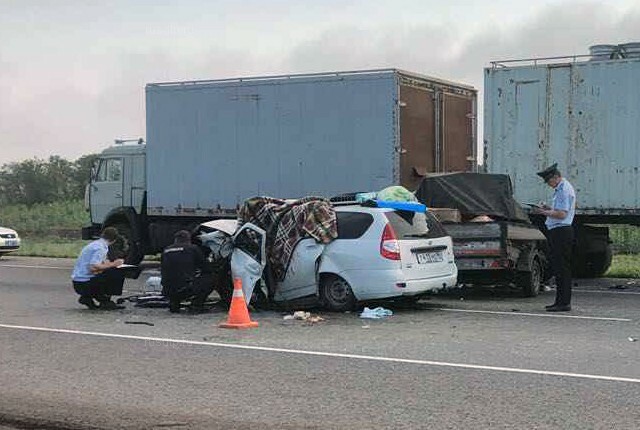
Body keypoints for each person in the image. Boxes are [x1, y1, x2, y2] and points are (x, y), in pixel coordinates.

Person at [535, 163, 576, 312]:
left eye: (548, 181)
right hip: (560, 230)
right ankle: (560, 301)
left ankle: (563, 303)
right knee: (560, 267)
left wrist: (543, 213)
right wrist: (548, 208)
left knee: (562, 268)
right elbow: (558, 211)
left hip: (561, 231)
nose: (548, 184)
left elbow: (562, 214)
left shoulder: (563, 190)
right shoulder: (561, 188)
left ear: (555, 177)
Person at [71, 227, 126, 310]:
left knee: (107, 271)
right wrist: (114, 264)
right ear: (114, 240)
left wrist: (111, 263)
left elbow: (101, 264)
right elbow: (93, 267)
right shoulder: (100, 248)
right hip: (84, 283)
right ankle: (105, 300)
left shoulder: (96, 244)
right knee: (115, 273)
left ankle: (87, 298)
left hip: (78, 282)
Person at [161, 230, 214, 313]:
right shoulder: (193, 248)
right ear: (188, 239)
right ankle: (196, 305)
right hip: (185, 289)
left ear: (175, 239)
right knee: (211, 278)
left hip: (167, 290)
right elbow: (206, 267)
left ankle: (174, 304)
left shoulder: (166, 250)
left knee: (176, 279)